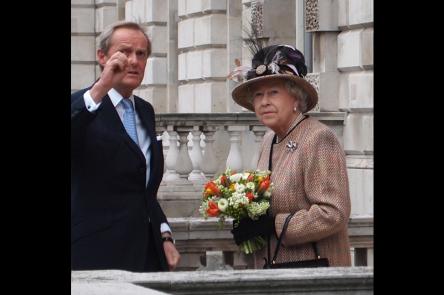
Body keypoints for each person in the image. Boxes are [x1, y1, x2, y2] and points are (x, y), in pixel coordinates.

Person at [71, 21, 180, 272]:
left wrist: (164, 234)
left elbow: (144, 191)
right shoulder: (83, 105)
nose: (133, 61)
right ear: (102, 57)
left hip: (146, 255)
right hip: (96, 256)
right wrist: (101, 87)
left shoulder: (145, 111)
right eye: (125, 52)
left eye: (141, 54)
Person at [229, 44, 351, 267]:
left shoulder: (318, 138)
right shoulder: (269, 140)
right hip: (273, 273)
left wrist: (275, 225)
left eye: (273, 92)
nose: (264, 102)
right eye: (258, 95)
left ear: (296, 98)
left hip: (314, 277)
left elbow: (333, 213)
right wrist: (249, 221)